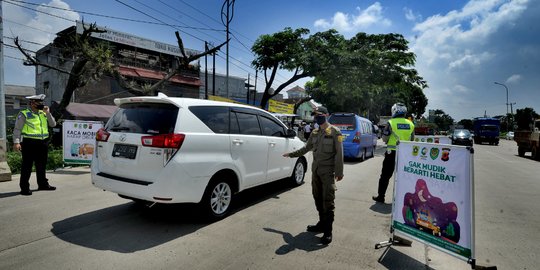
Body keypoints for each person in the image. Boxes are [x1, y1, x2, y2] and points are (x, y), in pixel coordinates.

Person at [283, 106, 344, 245]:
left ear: (326, 115)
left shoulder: (335, 132)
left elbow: (339, 153)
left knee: (328, 200)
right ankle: (321, 223)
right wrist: (291, 154)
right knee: (317, 198)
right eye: (315, 115)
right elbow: (306, 148)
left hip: (328, 173)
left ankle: (328, 232)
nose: (317, 117)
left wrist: (339, 172)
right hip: (315, 172)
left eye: (319, 115)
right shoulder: (315, 133)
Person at [13, 94, 57, 196]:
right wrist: (16, 142)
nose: (41, 104)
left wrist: (48, 113)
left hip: (42, 142)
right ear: (32, 103)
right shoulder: (24, 113)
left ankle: (43, 184)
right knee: (27, 166)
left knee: (41, 165)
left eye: (41, 102)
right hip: (29, 143)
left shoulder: (43, 113)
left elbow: (53, 124)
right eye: (38, 102)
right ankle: (24, 188)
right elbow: (17, 129)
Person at [372, 103, 414, 203]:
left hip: (391, 153)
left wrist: (388, 140)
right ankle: (402, 200)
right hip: (405, 155)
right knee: (403, 176)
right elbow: (412, 140)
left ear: (394, 111)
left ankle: (381, 196)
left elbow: (385, 138)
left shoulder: (391, 123)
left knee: (385, 176)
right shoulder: (411, 124)